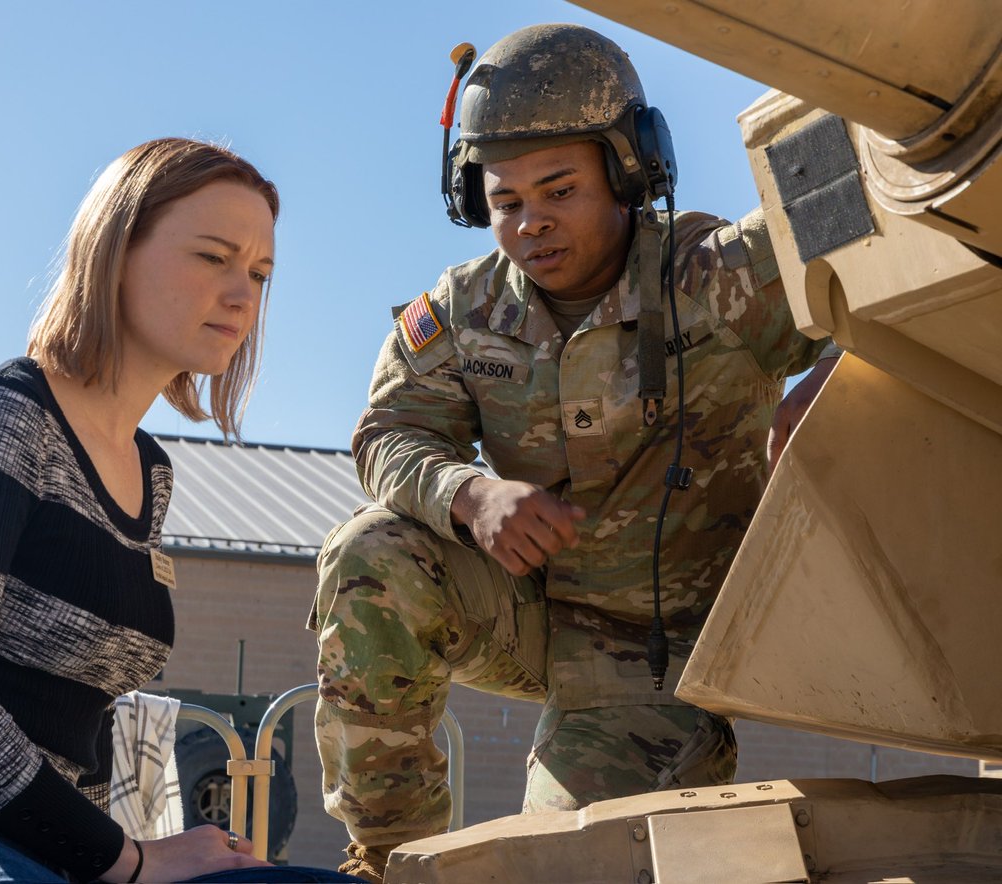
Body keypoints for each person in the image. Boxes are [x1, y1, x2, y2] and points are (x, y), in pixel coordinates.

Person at [309, 23, 840, 883]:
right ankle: (386, 860)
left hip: (664, 653)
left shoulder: (720, 275)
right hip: (530, 614)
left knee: (568, 868)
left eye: (560, 190)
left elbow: (894, 257)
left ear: (628, 174)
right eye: (505, 201)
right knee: (370, 552)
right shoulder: (463, 310)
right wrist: (470, 495)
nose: (531, 223)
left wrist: (843, 379)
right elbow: (387, 433)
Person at [0, 138, 353, 883]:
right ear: (115, 253)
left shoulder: (150, 471)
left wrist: (108, 858)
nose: (243, 295)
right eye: (212, 257)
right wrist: (126, 861)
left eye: (259, 273)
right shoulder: (3, 415)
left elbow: (74, 730)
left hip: (43, 842)